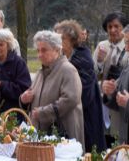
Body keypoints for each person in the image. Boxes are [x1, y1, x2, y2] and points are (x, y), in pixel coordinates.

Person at [20, 30, 85, 149]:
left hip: (63, 135)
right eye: (38, 50)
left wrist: (44, 112)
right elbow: (34, 96)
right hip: (42, 135)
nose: (39, 54)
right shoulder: (40, 73)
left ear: (57, 49)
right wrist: (24, 99)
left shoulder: (68, 70)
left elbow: (70, 99)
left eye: (44, 50)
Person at [54, 20, 105, 152]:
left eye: (61, 38)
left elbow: (83, 94)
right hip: (71, 115)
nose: (58, 42)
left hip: (85, 117)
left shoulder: (82, 58)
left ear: (72, 39)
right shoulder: (64, 57)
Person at [93, 12, 129, 146]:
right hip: (104, 101)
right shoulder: (102, 46)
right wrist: (100, 62)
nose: (112, 30)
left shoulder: (127, 49)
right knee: (103, 139)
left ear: (124, 28)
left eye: (116, 26)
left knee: (117, 137)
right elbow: (94, 75)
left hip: (120, 104)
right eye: (109, 27)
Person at [102, 24, 129, 143]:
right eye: (126, 43)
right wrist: (110, 91)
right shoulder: (127, 67)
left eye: (128, 43)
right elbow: (117, 99)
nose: (126, 48)